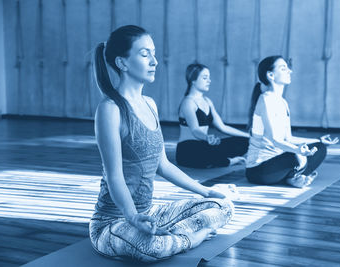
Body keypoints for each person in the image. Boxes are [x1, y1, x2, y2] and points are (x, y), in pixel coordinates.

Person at [89, 25, 234, 263]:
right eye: (145, 54)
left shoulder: (150, 104)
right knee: (153, 247)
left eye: (154, 53)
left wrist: (206, 191)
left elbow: (163, 165)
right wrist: (132, 216)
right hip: (113, 222)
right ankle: (190, 239)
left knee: (224, 206)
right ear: (122, 63)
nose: (155, 61)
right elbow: (114, 176)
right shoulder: (110, 109)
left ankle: (173, 237)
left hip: (149, 214)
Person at [245, 56, 339, 188]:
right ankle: (293, 176)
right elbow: (275, 140)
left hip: (278, 164)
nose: (290, 71)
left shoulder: (283, 102)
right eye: (283, 68)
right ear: (271, 75)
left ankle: (291, 177)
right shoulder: (266, 100)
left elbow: (288, 138)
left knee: (319, 148)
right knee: (295, 156)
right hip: (260, 170)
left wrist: (317, 140)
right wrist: (298, 151)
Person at [176, 63, 250, 168]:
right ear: (193, 80)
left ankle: (222, 160)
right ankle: (230, 161)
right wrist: (207, 137)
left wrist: (249, 136)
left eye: (209, 78)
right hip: (188, 148)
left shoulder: (207, 101)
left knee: (245, 142)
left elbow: (223, 127)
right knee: (205, 154)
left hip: (206, 144)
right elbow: (195, 130)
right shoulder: (188, 103)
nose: (209, 81)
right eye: (205, 78)